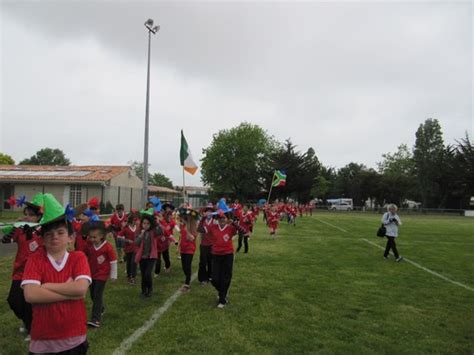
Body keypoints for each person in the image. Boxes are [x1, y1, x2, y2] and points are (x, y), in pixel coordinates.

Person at [21, 193, 91, 354]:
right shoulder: (35, 260)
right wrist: (69, 292)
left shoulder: (78, 258)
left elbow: (80, 289)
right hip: (43, 339)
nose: (54, 237)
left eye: (60, 232)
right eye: (49, 234)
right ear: (42, 239)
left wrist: (47, 286)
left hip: (74, 338)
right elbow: (31, 295)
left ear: (71, 237)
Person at [2, 194, 44, 340]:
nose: (27, 217)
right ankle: (27, 321)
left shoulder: (42, 232)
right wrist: (15, 226)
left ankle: (34, 329)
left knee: (30, 302)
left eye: (31, 215)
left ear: (38, 217)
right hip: (19, 272)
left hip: (35, 273)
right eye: (25, 214)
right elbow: (5, 241)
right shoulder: (20, 229)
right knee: (13, 300)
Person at [198, 209, 245, 308]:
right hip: (215, 255)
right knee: (214, 279)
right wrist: (203, 218)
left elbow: (243, 231)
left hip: (228, 255)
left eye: (224, 217)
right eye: (220, 218)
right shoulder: (213, 227)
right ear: (217, 219)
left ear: (227, 219)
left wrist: (234, 223)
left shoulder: (231, 228)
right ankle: (222, 292)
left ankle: (222, 299)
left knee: (226, 277)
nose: (222, 219)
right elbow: (200, 229)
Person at [84, 221, 117, 328]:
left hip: (102, 275)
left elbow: (113, 261)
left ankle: (95, 319)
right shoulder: (89, 246)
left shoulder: (108, 247)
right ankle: (101, 308)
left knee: (97, 295)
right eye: (90, 237)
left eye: (94, 237)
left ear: (102, 236)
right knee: (93, 295)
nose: (92, 239)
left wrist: (113, 275)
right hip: (91, 274)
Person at [134, 210, 163, 298]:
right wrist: (141, 235)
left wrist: (157, 223)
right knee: (143, 274)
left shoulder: (153, 232)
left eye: (147, 223)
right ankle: (143, 290)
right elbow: (136, 243)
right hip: (142, 257)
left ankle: (150, 289)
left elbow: (160, 232)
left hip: (151, 256)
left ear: (151, 224)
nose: (145, 225)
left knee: (147, 274)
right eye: (144, 223)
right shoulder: (140, 232)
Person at [177, 207, 198, 293]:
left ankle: (187, 284)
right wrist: (178, 247)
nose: (185, 218)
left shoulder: (193, 227)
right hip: (183, 249)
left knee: (187, 266)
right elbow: (181, 237)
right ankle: (187, 278)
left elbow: (192, 238)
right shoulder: (183, 226)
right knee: (184, 267)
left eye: (187, 217)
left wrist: (187, 230)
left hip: (190, 249)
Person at [155, 203, 176, 277]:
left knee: (165, 253)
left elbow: (167, 228)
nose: (168, 210)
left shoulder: (171, 220)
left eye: (169, 208)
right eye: (167, 208)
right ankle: (157, 271)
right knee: (158, 255)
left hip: (167, 238)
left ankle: (167, 266)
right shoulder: (160, 216)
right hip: (158, 238)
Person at [118, 213, 140, 285]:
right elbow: (118, 236)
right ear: (130, 221)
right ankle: (128, 275)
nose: (136, 221)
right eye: (134, 220)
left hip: (136, 248)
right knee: (129, 263)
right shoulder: (126, 229)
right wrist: (126, 240)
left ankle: (133, 277)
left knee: (134, 262)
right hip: (128, 249)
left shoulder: (137, 228)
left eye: (136, 220)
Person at [198, 204, 215, 285]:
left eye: (211, 211)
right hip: (203, 245)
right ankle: (203, 278)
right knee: (202, 262)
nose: (209, 213)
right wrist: (203, 218)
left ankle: (210, 276)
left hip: (212, 245)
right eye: (207, 211)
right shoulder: (202, 221)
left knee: (211, 262)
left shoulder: (215, 221)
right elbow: (199, 229)